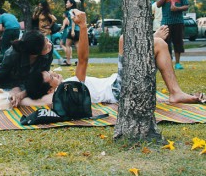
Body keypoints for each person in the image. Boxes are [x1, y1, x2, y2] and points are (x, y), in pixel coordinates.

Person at [25, 9, 204, 105]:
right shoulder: (66, 90)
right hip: (120, 90)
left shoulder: (58, 91)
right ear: (50, 90)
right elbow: (84, 60)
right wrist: (83, 26)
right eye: (52, 77)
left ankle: (174, 90)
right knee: (129, 40)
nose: (55, 74)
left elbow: (32, 98)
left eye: (51, 72)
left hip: (118, 85)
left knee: (157, 45)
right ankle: (174, 90)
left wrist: (18, 94)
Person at [156, 0, 189, 70]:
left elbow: (186, 6)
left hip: (178, 22)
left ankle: (178, 63)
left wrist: (177, 9)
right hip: (166, 22)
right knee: (165, 43)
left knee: (178, 42)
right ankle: (167, 62)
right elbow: (158, 4)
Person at [62, 0, 80, 66]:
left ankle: (68, 61)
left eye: (67, 2)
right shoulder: (76, 11)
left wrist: (72, 30)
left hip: (73, 29)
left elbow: (73, 21)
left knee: (68, 45)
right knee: (77, 45)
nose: (66, 4)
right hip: (78, 29)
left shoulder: (71, 11)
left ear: (71, 4)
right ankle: (80, 61)